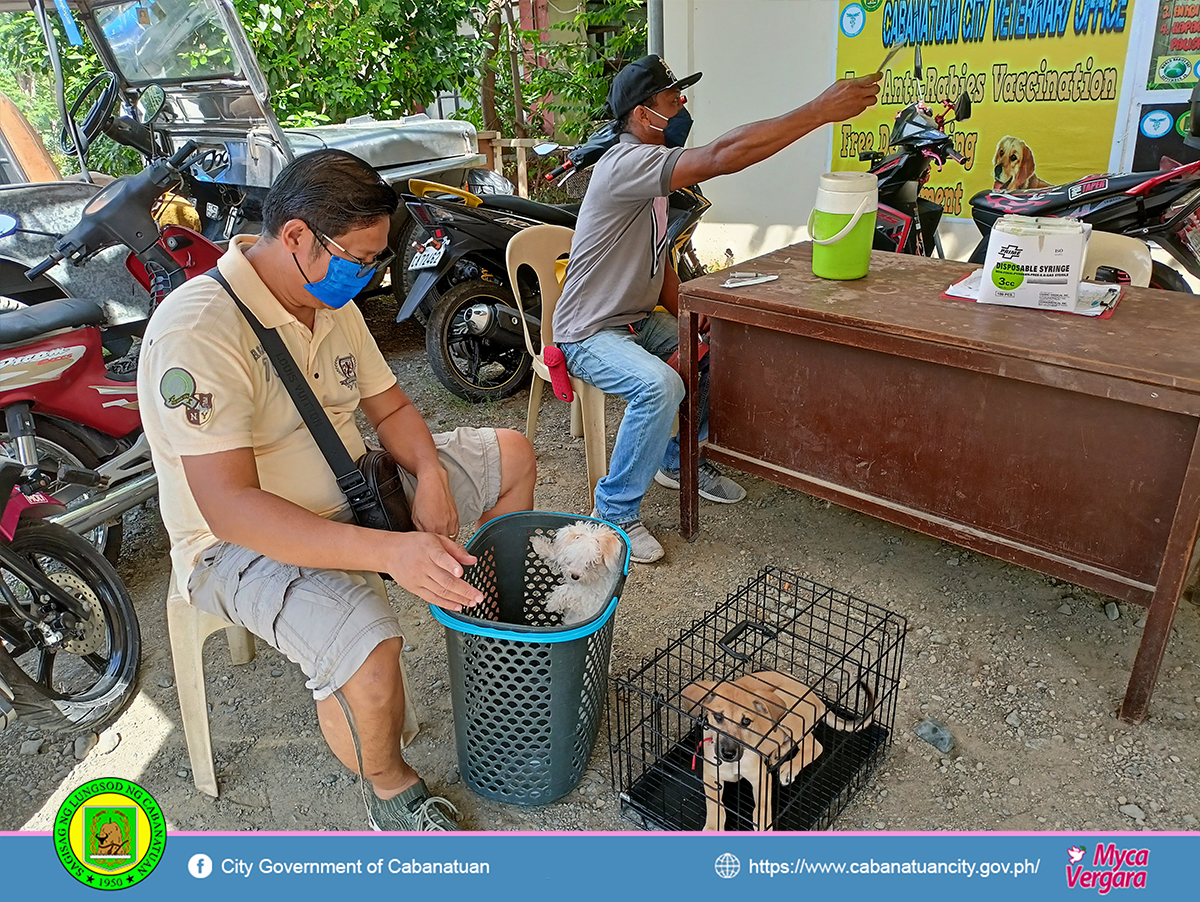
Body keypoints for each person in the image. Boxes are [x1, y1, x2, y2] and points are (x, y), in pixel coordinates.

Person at [138, 149, 536, 831]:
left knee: (515, 453)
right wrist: (390, 555)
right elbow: (230, 508)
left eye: (376, 259)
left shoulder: (331, 299)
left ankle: (488, 636)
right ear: (294, 236)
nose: (368, 274)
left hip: (358, 492)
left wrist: (434, 476)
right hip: (238, 544)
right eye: (357, 258)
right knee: (371, 650)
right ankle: (391, 788)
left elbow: (392, 411)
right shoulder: (199, 330)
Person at [554, 56, 881, 563]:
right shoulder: (625, 163)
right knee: (658, 384)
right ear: (644, 114)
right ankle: (613, 513)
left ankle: (678, 459)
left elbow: (657, 257)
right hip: (589, 333)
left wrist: (687, 309)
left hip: (637, 322)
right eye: (672, 98)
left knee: (715, 350)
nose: (683, 104)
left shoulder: (652, 175)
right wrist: (819, 110)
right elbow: (727, 153)